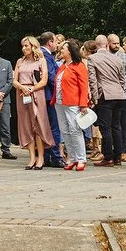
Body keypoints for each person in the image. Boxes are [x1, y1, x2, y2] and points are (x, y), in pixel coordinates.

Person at [14, 37, 53, 169]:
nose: (24, 48)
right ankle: (32, 158)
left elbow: (44, 80)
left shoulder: (41, 60)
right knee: (26, 126)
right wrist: (22, 87)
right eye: (23, 46)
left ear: (33, 46)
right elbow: (14, 81)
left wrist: (32, 89)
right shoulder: (20, 61)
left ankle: (41, 158)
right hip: (22, 94)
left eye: (26, 46)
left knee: (38, 124)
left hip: (36, 93)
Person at [90, 35, 126, 166]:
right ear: (107, 45)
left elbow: (92, 80)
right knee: (116, 126)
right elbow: (123, 79)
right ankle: (118, 156)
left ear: (96, 45)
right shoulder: (117, 58)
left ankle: (108, 157)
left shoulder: (92, 59)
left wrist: (95, 97)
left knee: (105, 127)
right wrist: (121, 90)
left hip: (105, 95)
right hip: (119, 95)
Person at [56, 39, 90, 171]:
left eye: (63, 48)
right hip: (60, 102)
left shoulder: (79, 66)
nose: (61, 50)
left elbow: (83, 86)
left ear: (70, 51)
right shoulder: (63, 65)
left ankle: (81, 158)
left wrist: (83, 104)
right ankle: (72, 157)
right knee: (65, 131)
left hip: (73, 102)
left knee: (75, 130)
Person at [40, 32, 64, 167]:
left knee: (47, 126)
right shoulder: (46, 55)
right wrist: (60, 88)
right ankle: (55, 156)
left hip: (45, 95)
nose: (57, 45)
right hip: (49, 95)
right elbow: (50, 76)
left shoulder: (44, 54)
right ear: (50, 42)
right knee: (53, 127)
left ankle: (47, 155)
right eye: (55, 42)